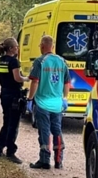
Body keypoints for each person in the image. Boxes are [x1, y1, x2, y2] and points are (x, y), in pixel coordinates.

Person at [27, 34, 70, 170]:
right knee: (57, 130)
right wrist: (64, 98)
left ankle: (44, 160)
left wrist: (29, 99)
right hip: (57, 104)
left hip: (42, 103)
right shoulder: (62, 61)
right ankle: (59, 161)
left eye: (40, 45)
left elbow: (35, 81)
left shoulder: (40, 61)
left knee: (44, 131)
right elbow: (67, 83)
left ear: (43, 46)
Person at [0, 37, 25, 164]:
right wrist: (27, 79)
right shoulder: (13, 62)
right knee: (13, 125)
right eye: (16, 46)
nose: (18, 48)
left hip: (4, 93)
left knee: (7, 122)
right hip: (14, 95)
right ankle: (11, 152)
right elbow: (17, 78)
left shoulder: (0, 61)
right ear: (11, 48)